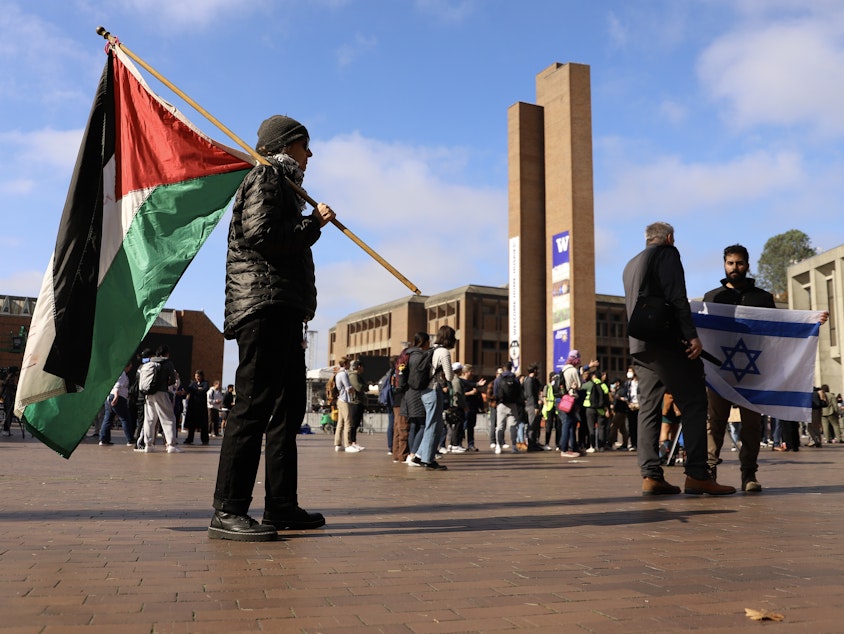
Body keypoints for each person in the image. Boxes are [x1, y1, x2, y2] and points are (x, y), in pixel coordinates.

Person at [210, 114, 335, 541]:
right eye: (305, 144)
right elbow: (264, 235)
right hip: (262, 307)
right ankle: (228, 509)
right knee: (252, 407)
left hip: (281, 310)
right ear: (286, 145)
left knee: (286, 412)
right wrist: (312, 225)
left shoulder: (283, 183)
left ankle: (281, 505)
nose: (310, 153)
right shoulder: (266, 177)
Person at [622, 221, 735, 496]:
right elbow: (677, 296)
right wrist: (691, 335)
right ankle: (697, 474)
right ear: (670, 238)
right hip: (664, 342)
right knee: (695, 400)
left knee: (649, 407)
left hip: (639, 344)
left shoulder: (631, 263)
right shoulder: (667, 254)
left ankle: (651, 475)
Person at [702, 244, 775, 492]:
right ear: (724, 264)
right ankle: (709, 473)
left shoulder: (763, 298)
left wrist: (810, 321)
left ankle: (749, 475)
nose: (735, 267)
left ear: (747, 264)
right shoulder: (712, 298)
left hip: (753, 372)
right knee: (716, 422)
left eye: (740, 263)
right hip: (718, 370)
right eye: (731, 263)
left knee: (752, 425)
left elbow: (778, 332)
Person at [141, 346, 182, 454]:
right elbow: (173, 380)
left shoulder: (149, 362)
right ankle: (171, 445)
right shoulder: (167, 363)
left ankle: (148, 445)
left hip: (149, 393)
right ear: (167, 353)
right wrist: (165, 383)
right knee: (168, 418)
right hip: (161, 393)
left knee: (150, 419)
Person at [99, 361, 134, 446]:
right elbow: (117, 386)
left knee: (108, 418)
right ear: (127, 366)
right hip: (119, 398)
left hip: (109, 397)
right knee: (125, 418)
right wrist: (116, 397)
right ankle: (130, 439)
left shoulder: (115, 372)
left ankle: (103, 439)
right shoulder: (122, 374)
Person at [183, 370, 210, 445]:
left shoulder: (205, 383)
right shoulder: (192, 383)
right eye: (196, 376)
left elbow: (204, 390)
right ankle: (189, 439)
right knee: (191, 424)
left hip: (201, 407)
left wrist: (196, 390)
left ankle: (204, 440)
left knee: (203, 425)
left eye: (198, 376)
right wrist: (198, 389)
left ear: (202, 376)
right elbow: (189, 389)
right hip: (193, 407)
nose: (197, 378)